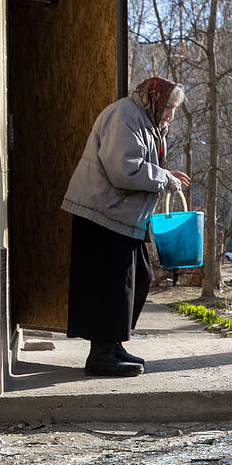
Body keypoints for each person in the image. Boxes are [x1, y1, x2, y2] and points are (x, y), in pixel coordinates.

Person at [62, 77, 191, 377]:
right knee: (113, 286)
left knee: (139, 279)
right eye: (168, 107)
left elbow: (136, 164)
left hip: (120, 216)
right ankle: (101, 355)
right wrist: (163, 178)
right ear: (153, 99)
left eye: (174, 109)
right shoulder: (125, 116)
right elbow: (123, 169)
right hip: (103, 212)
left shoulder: (145, 122)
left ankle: (113, 344)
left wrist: (164, 175)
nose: (171, 114)